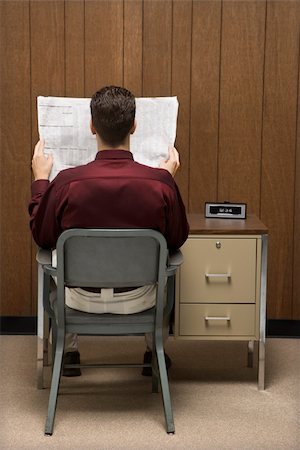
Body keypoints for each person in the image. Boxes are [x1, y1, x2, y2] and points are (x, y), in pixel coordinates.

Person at [29, 85, 189, 376]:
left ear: (91, 126)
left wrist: (41, 180)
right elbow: (176, 240)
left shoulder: (65, 184)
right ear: (135, 126)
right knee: (167, 269)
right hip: (141, 297)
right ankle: (155, 352)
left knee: (54, 264)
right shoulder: (161, 184)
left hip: (77, 299)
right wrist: (168, 179)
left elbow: (42, 237)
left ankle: (69, 352)